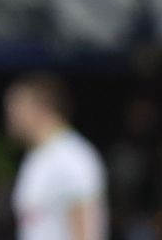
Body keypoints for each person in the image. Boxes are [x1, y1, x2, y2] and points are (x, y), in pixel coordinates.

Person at [6, 73, 109, 240]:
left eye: (15, 108)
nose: (10, 118)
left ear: (40, 108)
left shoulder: (72, 157)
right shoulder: (36, 157)